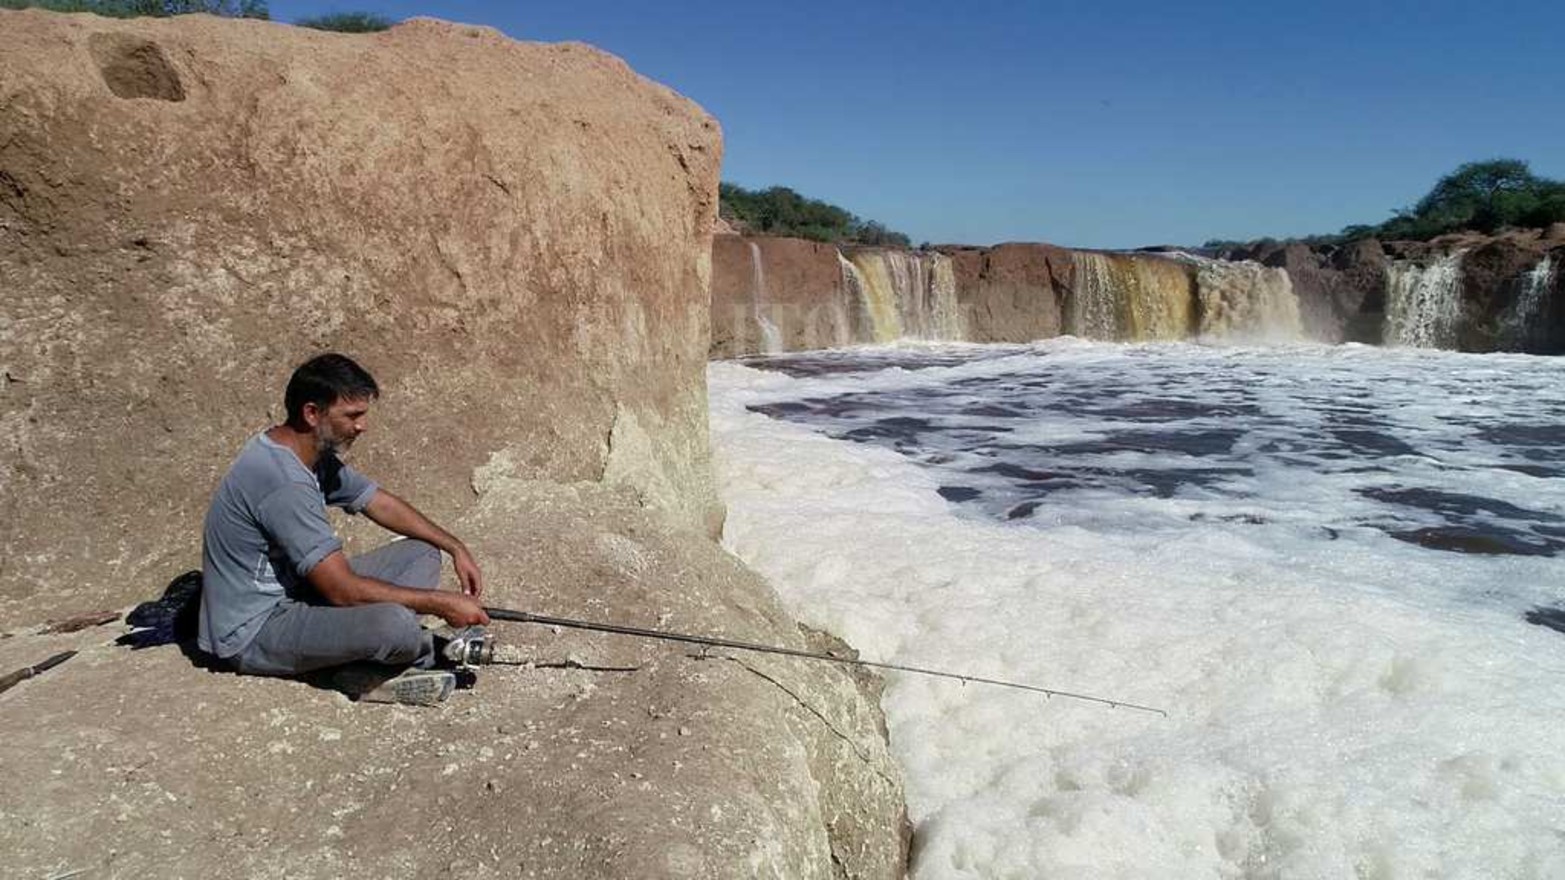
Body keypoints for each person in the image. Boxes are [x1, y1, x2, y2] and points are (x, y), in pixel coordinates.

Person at [197, 353, 490, 705]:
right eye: (352, 415)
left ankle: (364, 651)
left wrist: (454, 546)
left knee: (424, 551)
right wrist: (439, 603)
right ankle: (364, 671)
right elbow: (342, 591)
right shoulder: (284, 483)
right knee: (394, 625)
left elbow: (378, 502)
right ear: (311, 413)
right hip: (254, 631)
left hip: (298, 593)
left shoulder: (304, 453)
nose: (361, 425)